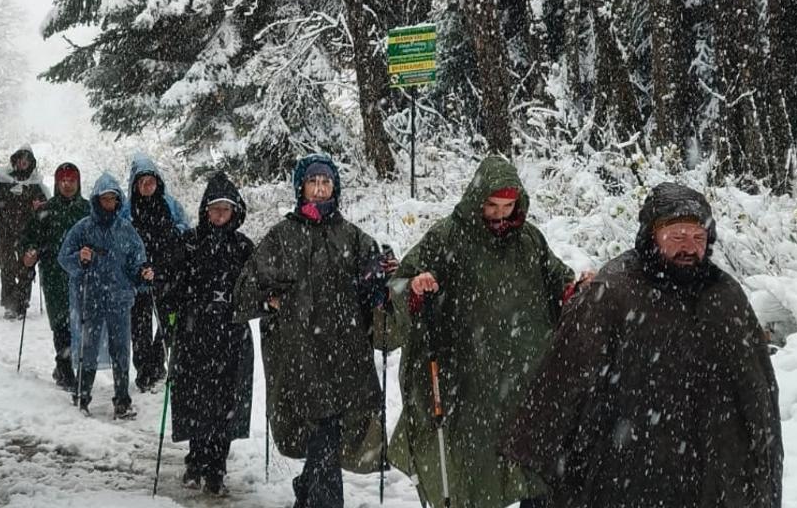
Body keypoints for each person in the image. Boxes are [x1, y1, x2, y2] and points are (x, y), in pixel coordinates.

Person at [500, 182, 783, 508]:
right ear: (652, 236)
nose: (688, 247)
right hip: (629, 466)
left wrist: (761, 460)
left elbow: (757, 391)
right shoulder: (614, 291)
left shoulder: (724, 295)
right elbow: (563, 379)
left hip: (711, 467)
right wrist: (543, 460)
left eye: (698, 237)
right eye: (677, 236)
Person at [388, 155, 575, 508]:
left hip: (526, 375)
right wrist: (415, 285)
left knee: (533, 471)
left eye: (508, 206)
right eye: (492, 205)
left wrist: (574, 289)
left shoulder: (529, 240)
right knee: (475, 472)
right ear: (477, 199)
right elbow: (399, 283)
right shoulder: (447, 236)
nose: (501, 215)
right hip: (469, 378)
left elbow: (559, 280)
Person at [234, 153, 397, 508]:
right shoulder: (281, 237)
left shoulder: (352, 237)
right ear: (301, 188)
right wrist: (271, 300)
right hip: (299, 357)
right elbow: (245, 291)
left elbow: (378, 287)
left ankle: (308, 490)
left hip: (344, 356)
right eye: (314, 182)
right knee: (322, 435)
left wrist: (381, 278)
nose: (320, 189)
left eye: (326, 183)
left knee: (327, 439)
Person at [162, 172, 255, 497]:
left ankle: (217, 467)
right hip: (195, 334)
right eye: (214, 209)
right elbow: (171, 281)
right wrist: (182, 299)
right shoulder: (189, 242)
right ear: (205, 210)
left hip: (230, 339)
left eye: (225, 210)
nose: (218, 215)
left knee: (226, 404)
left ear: (234, 212)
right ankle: (195, 458)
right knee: (196, 401)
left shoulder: (243, 247)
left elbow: (255, 288)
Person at [59, 172, 154, 418]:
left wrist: (142, 272)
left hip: (120, 299)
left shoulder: (126, 229)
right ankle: (81, 396)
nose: (109, 203)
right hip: (90, 297)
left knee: (121, 349)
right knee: (88, 348)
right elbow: (64, 257)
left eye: (113, 199)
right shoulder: (83, 228)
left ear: (118, 200)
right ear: (96, 200)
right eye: (104, 199)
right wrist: (80, 259)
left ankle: (122, 400)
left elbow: (137, 260)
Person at [123, 152, 189, 392]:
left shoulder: (170, 205)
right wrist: (136, 267)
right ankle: (144, 370)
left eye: (150, 181)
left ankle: (156, 363)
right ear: (134, 184)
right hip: (138, 279)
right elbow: (120, 241)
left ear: (157, 181)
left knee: (167, 324)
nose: (147, 186)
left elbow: (186, 230)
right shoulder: (127, 209)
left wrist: (175, 235)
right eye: (141, 182)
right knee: (139, 329)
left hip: (167, 275)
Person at [22, 161, 90, 391]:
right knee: (60, 321)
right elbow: (29, 237)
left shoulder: (89, 210)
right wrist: (29, 253)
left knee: (79, 321)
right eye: (63, 181)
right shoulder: (44, 210)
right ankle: (65, 369)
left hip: (82, 276)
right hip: (53, 274)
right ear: (56, 182)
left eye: (71, 181)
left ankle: (68, 364)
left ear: (78, 182)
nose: (67, 185)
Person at [0, 145, 48, 319]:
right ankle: (9, 304)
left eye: (27, 160)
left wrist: (40, 207)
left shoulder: (35, 184)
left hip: (28, 234)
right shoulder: (4, 181)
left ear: (31, 163)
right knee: (7, 267)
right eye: (21, 159)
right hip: (5, 231)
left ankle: (21, 305)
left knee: (26, 268)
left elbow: (46, 208)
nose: (24, 162)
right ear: (15, 160)